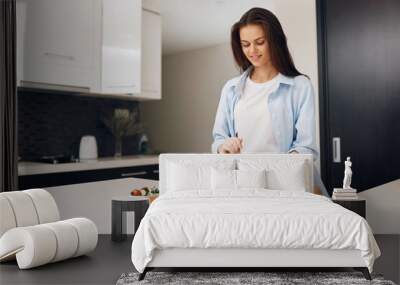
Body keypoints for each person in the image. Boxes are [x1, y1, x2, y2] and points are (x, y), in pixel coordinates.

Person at [211, 7, 328, 196]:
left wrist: (281, 170)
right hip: (244, 184)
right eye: (245, 44)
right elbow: (218, 140)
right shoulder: (231, 89)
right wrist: (224, 147)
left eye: (260, 42)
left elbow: (306, 148)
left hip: (288, 184)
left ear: (275, 41)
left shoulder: (300, 86)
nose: (252, 51)